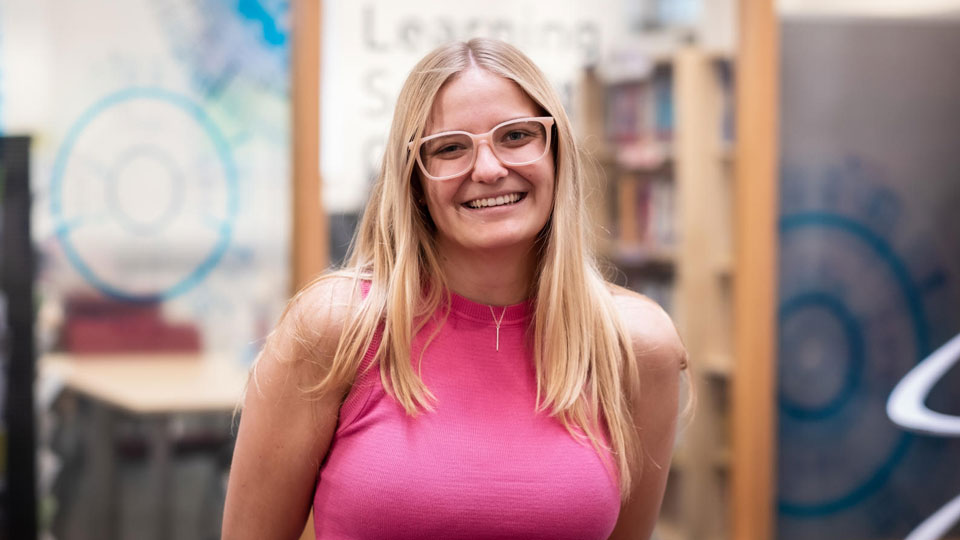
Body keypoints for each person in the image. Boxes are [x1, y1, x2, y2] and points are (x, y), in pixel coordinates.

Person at [222, 38, 688, 540]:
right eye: (449, 148)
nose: (488, 169)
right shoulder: (336, 330)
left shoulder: (634, 347)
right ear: (414, 180)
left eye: (515, 136)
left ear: (556, 152)